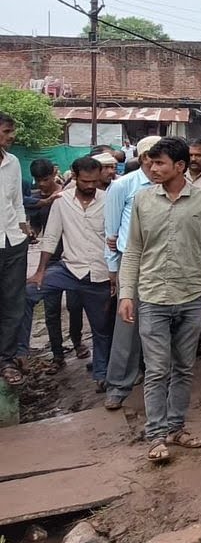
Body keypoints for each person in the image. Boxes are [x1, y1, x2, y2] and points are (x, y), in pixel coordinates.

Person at [118, 137, 201, 463]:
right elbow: (133, 249)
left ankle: (177, 428)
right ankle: (156, 434)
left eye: (160, 163)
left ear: (179, 166)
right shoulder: (142, 200)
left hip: (191, 295)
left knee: (183, 367)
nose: (153, 167)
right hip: (151, 297)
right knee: (157, 368)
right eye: (151, 162)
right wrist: (126, 293)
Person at [27, 156, 114, 387]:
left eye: (94, 181)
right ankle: (17, 353)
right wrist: (40, 272)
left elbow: (116, 239)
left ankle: (101, 374)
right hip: (70, 269)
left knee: (101, 328)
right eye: (85, 181)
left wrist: (116, 275)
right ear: (74, 177)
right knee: (27, 292)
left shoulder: (109, 200)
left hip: (100, 274)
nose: (90, 186)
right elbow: (52, 238)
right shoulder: (62, 201)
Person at [103, 135, 158, 410]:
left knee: (159, 323)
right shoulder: (123, 186)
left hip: (162, 260)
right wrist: (114, 269)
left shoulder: (170, 187)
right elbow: (111, 232)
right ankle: (118, 385)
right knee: (127, 324)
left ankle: (153, 377)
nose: (156, 164)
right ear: (144, 158)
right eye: (152, 157)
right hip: (131, 261)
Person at [0, 111, 31, 386]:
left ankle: (6, 360)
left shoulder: (13, 162)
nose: (12, 136)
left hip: (13, 242)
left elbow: (17, 202)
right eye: (7, 131)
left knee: (13, 303)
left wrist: (23, 227)